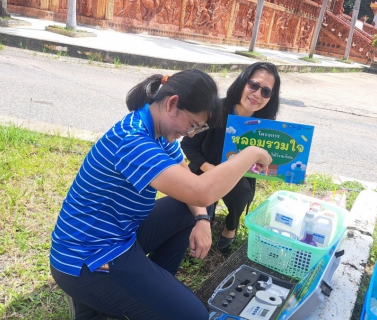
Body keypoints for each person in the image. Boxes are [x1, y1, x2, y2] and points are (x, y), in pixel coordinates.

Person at [49, 69, 272, 320]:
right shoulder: (133, 140)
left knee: (200, 211)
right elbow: (202, 191)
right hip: (89, 257)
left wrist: (202, 221)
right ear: (173, 104)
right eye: (192, 125)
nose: (190, 135)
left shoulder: (157, 130)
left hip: (120, 234)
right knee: (193, 316)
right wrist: (251, 152)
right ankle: (104, 301)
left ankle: (151, 292)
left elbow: (191, 183)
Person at [181, 62, 281, 253]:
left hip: (238, 176)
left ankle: (231, 226)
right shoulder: (214, 109)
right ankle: (205, 216)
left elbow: (269, 163)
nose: (257, 94)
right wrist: (209, 168)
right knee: (190, 218)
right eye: (253, 85)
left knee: (243, 190)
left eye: (266, 92)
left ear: (271, 97)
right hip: (205, 169)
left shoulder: (267, 126)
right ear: (243, 82)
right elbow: (187, 145)